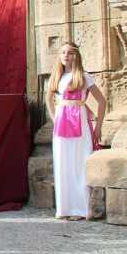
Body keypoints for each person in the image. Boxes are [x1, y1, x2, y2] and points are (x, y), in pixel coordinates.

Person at [48, 42, 106, 221]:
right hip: (61, 125)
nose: (66, 56)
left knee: (80, 163)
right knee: (62, 164)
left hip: (79, 122)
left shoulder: (84, 77)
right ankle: (64, 208)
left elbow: (102, 101)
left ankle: (81, 209)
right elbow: (49, 99)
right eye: (63, 52)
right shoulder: (56, 77)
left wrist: (98, 126)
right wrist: (54, 118)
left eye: (70, 53)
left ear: (76, 56)